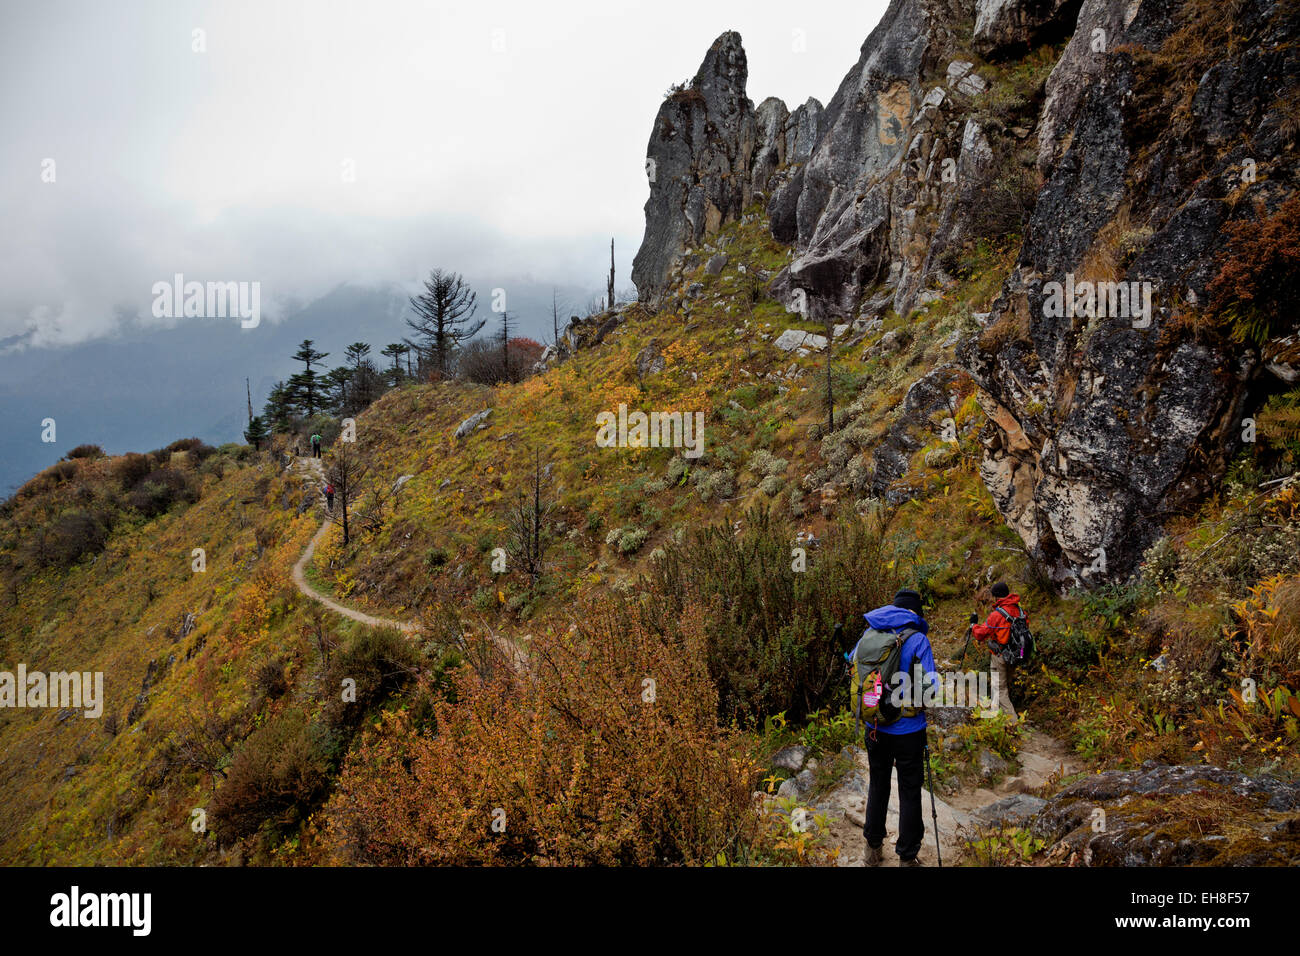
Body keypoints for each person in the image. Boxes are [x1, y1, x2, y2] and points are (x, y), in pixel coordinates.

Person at [859, 588, 937, 867]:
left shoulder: (869, 634)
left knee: (878, 784)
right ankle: (906, 856)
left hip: (874, 726)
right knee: (909, 789)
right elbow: (933, 687)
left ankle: (872, 849)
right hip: (909, 730)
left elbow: (853, 664)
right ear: (914, 613)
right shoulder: (918, 639)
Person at [971, 581, 1022, 721]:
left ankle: (1014, 723)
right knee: (1004, 686)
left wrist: (973, 625)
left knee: (999, 689)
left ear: (996, 597)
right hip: (1016, 655)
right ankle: (999, 716)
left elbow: (980, 634)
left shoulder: (997, 615)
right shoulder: (1020, 610)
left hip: (1000, 656)